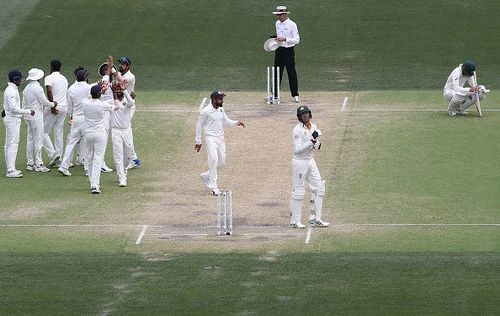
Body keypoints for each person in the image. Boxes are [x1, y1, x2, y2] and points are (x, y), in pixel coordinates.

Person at [195, 91, 245, 196]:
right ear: (213, 100)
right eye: (219, 99)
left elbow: (225, 120)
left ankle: (207, 175)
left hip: (220, 138)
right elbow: (199, 125)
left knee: (221, 162)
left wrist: (236, 123)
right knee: (213, 160)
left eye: (222, 98)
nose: (222, 101)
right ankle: (214, 187)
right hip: (210, 138)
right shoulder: (206, 111)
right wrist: (198, 141)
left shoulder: (221, 109)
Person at [289, 105, 329, 228]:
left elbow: (315, 144)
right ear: (299, 117)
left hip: (310, 160)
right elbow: (297, 150)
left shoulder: (314, 127)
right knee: (299, 191)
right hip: (299, 162)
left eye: (306, 113)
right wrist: (311, 142)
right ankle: (295, 221)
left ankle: (315, 218)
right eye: (302, 114)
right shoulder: (297, 130)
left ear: (309, 114)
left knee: (319, 187)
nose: (305, 115)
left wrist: (317, 144)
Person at [83, 84, 118, 194]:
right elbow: (116, 107)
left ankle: (92, 182)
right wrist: (114, 95)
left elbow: (89, 97)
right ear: (99, 94)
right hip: (99, 134)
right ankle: (95, 185)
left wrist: (99, 91)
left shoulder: (85, 102)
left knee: (89, 157)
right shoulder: (103, 104)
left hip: (88, 133)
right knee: (98, 159)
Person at [22, 68, 57, 173]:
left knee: (30, 139)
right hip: (36, 116)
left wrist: (25, 115)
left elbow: (24, 104)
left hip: (28, 115)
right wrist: (53, 104)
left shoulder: (26, 88)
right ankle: (39, 164)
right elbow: (44, 101)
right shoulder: (38, 88)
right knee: (38, 139)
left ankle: (30, 163)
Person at [57, 69, 91, 176]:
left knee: (71, 143)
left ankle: (63, 166)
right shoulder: (88, 88)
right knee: (87, 143)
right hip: (86, 119)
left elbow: (69, 107)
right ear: (85, 78)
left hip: (76, 119)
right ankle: (87, 169)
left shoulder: (71, 89)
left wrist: (71, 117)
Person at [3, 69, 35, 178]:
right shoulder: (11, 91)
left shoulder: (11, 89)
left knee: (9, 145)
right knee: (13, 144)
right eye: (19, 79)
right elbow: (13, 108)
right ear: (15, 79)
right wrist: (28, 111)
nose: (21, 80)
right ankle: (10, 170)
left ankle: (10, 168)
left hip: (11, 118)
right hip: (12, 119)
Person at [116, 56, 141, 170]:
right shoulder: (119, 75)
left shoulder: (131, 76)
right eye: (120, 63)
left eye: (123, 64)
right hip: (121, 106)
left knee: (124, 130)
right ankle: (133, 158)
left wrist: (112, 70)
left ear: (128, 66)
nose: (121, 65)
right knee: (123, 131)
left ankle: (133, 158)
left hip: (129, 106)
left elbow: (122, 81)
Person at [272, 5, 300, 103]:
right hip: (279, 50)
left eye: (279, 15)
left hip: (289, 51)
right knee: (276, 72)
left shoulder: (292, 24)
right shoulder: (277, 23)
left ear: (285, 14)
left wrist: (285, 39)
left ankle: (295, 95)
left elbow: (297, 40)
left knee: (291, 72)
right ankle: (274, 95)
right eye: (277, 15)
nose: (278, 17)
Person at [42, 60, 68, 167]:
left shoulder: (49, 77)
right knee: (59, 133)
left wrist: (52, 105)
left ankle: (53, 155)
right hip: (64, 107)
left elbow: (49, 90)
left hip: (55, 106)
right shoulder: (64, 79)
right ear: (60, 68)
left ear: (51, 67)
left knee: (42, 132)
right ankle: (59, 159)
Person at [110, 81, 135, 187]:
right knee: (118, 154)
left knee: (128, 153)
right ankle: (122, 177)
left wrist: (125, 90)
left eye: (121, 91)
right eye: (118, 91)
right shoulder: (111, 101)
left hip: (127, 130)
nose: (119, 92)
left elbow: (131, 102)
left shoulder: (127, 102)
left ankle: (124, 171)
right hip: (116, 131)